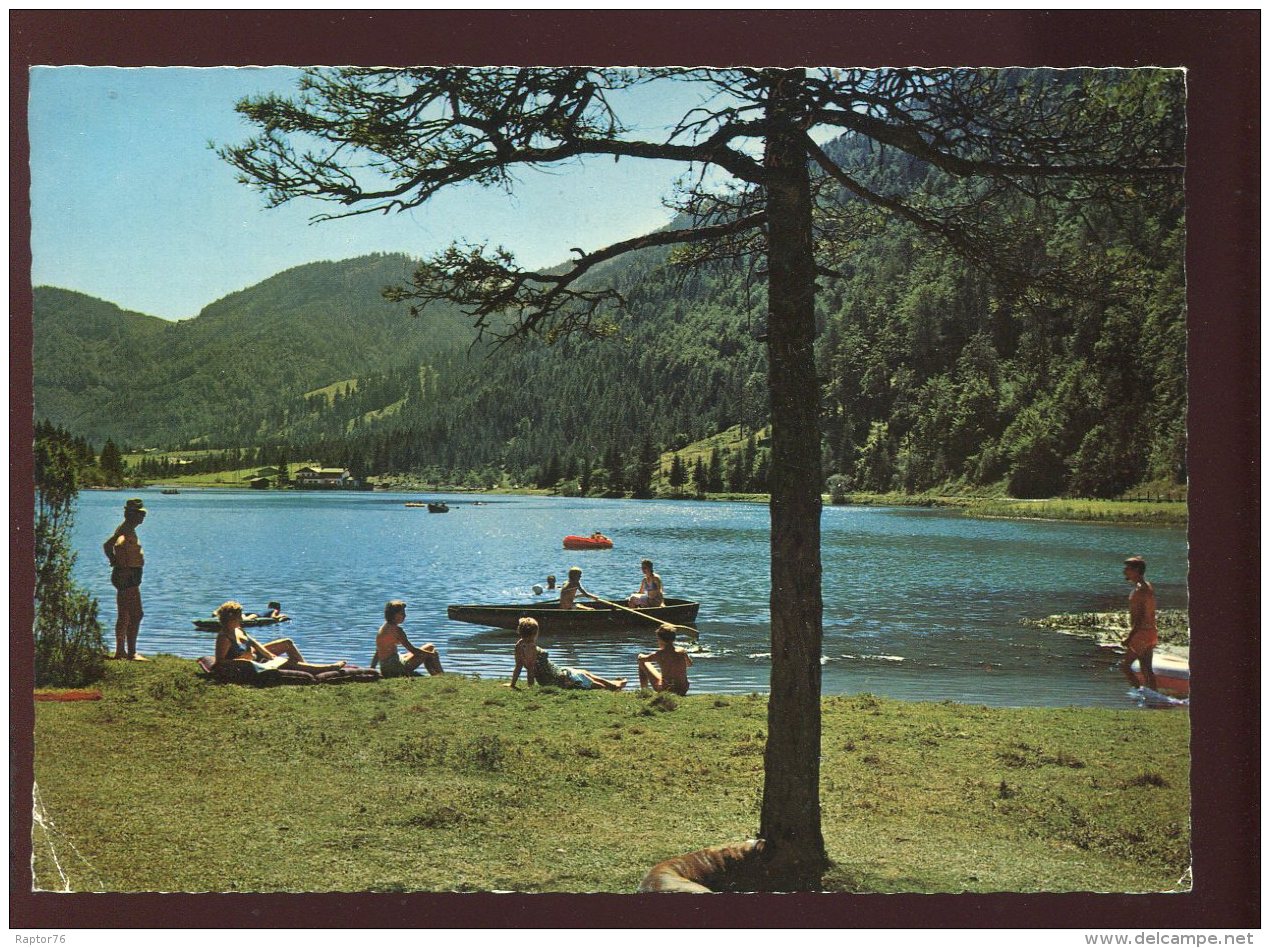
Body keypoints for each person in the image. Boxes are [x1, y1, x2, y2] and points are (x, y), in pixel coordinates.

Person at [211, 601, 346, 682]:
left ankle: (304, 669)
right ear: (231, 618)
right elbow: (220, 663)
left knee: (287, 642)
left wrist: (270, 656)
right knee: (287, 662)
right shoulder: (224, 637)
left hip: (257, 655)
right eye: (239, 616)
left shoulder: (238, 629)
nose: (241, 618)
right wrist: (243, 659)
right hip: (249, 663)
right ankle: (326, 668)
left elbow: (255, 643)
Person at [508, 617, 626, 691]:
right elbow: (531, 669)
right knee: (584, 679)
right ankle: (612, 687)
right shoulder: (532, 647)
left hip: (554, 672)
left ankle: (612, 684)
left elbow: (518, 666)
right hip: (555, 678)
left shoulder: (518, 645)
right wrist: (531, 688)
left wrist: (512, 684)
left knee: (583, 673)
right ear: (534, 633)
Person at [102, 498, 148, 660]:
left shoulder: (126, 528)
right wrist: (122, 565)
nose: (143, 516)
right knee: (137, 614)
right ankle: (132, 652)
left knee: (125, 615)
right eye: (140, 513)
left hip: (126, 575)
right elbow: (116, 546)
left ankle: (120, 651)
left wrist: (115, 562)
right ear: (132, 515)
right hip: (127, 576)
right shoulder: (125, 531)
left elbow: (108, 546)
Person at [370, 600, 443, 677]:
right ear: (394, 615)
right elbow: (413, 650)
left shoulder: (383, 628)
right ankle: (441, 675)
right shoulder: (397, 630)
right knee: (431, 651)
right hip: (395, 669)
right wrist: (432, 655)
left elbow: (378, 651)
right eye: (402, 613)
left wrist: (372, 668)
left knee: (429, 647)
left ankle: (436, 675)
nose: (405, 616)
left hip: (385, 668)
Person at [1118, 555, 1159, 691]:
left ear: (1136, 570)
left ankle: (1139, 693)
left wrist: (1129, 637)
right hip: (1151, 632)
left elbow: (1140, 618)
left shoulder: (1140, 590)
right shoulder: (1147, 586)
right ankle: (1154, 696)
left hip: (1142, 634)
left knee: (1125, 666)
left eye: (1127, 569)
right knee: (1146, 668)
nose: (1125, 571)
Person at [637, 624, 693, 696]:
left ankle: (644, 691)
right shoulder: (682, 652)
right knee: (668, 676)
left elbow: (642, 659)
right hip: (683, 689)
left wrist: (641, 656)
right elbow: (690, 664)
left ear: (661, 640)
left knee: (641, 659)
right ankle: (646, 690)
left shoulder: (659, 654)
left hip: (666, 689)